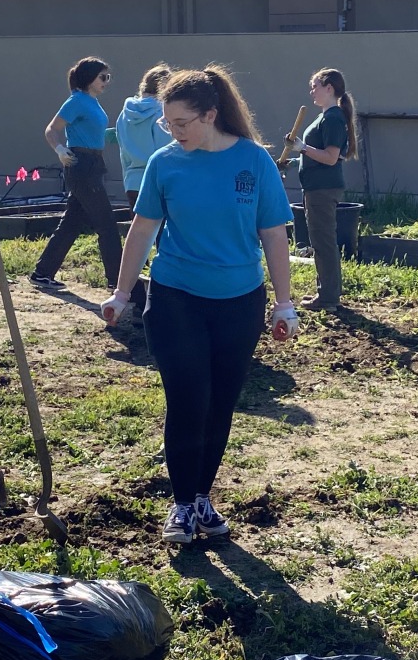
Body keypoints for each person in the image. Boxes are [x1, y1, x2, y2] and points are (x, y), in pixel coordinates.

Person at [98, 65, 299, 544]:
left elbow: (273, 233)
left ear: (211, 115)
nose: (174, 131)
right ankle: (183, 503)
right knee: (188, 400)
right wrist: (123, 293)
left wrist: (285, 303)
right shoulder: (165, 163)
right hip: (176, 298)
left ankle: (203, 498)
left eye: (182, 123)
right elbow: (143, 229)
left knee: (220, 405)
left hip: (239, 302)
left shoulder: (254, 162)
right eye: (168, 123)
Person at [29, 57, 124, 293]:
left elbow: (96, 133)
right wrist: (59, 149)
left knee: (71, 222)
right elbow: (52, 129)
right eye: (103, 77)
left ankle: (42, 273)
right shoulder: (77, 101)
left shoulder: (92, 102)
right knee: (107, 225)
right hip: (80, 164)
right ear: (89, 78)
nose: (106, 82)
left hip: (93, 162)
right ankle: (119, 282)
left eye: (108, 77)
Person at [283, 67, 358, 311]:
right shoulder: (325, 117)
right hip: (316, 188)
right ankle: (325, 293)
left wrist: (301, 148)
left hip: (323, 190)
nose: (311, 91)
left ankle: (328, 298)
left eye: (315, 86)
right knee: (320, 241)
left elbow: (330, 156)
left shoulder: (333, 118)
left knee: (324, 242)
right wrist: (292, 160)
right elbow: (314, 156)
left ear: (329, 88)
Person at [115, 63, 173, 211]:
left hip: (132, 181)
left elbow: (123, 153)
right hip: (158, 181)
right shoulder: (162, 113)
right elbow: (165, 151)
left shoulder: (124, 114)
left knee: (140, 232)